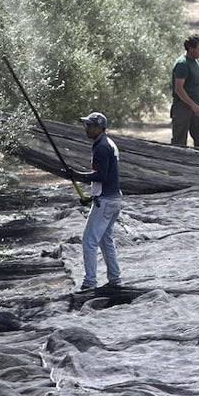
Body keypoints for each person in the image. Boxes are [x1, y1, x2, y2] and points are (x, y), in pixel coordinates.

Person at [75, 112, 122, 290]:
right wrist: (91, 197)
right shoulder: (106, 143)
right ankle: (115, 279)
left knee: (88, 240)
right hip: (113, 199)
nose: (86, 128)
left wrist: (77, 175)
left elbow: (101, 176)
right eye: (86, 125)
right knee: (105, 240)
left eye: (90, 125)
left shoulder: (101, 147)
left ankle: (89, 283)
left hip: (107, 201)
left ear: (100, 128)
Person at [171, 33, 199, 148]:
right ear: (191, 49)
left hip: (196, 104)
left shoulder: (196, 61)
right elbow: (179, 88)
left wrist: (197, 106)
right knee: (179, 140)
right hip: (183, 106)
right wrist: (193, 105)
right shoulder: (182, 64)